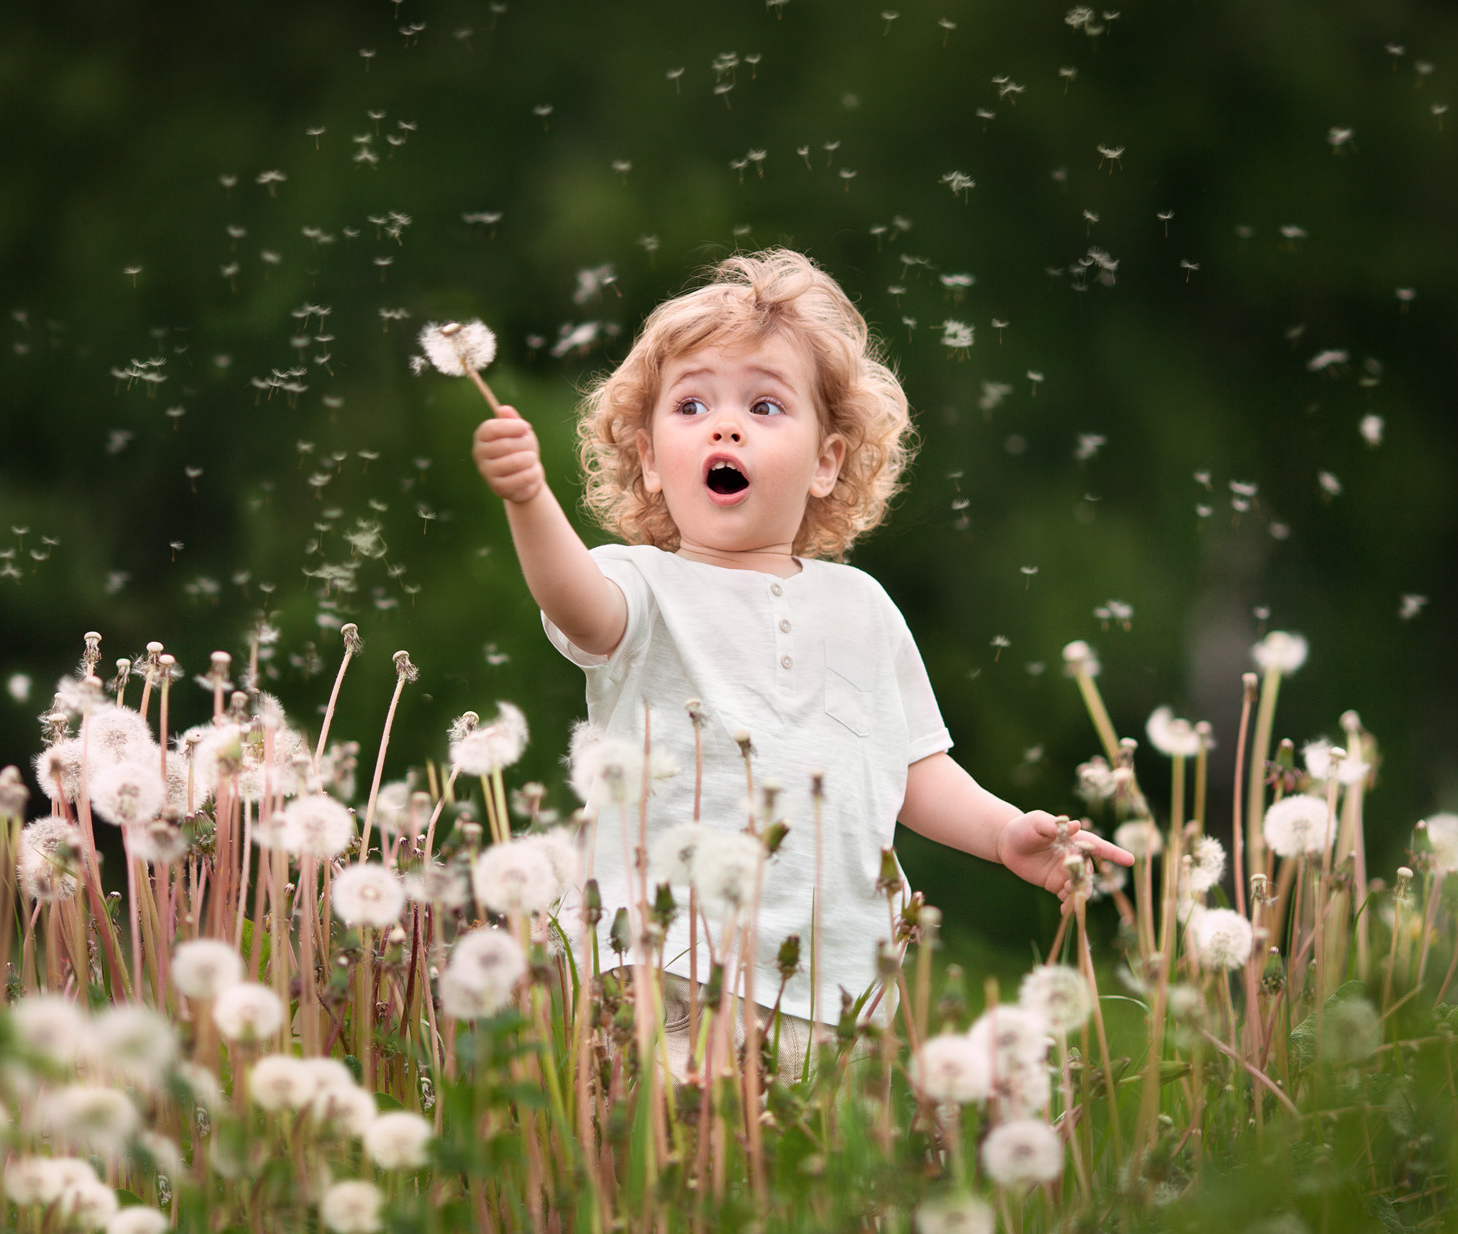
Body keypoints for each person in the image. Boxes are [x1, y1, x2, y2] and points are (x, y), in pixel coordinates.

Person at [469, 249, 1132, 1073]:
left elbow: (912, 767)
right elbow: (577, 605)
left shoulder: (862, 609)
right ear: (646, 456)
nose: (725, 423)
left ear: (828, 461)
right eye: (692, 403)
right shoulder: (642, 586)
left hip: (828, 987)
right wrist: (530, 502)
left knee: (796, 1188)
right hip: (660, 964)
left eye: (766, 403)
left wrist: (1003, 832)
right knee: (666, 1177)